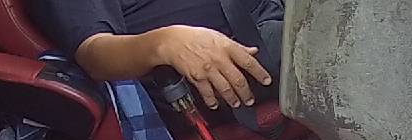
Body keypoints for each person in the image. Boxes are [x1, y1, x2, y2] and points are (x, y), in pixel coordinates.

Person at [30, 0, 283, 111]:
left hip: (277, 12)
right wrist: (164, 43)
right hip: (221, 59)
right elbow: (94, 54)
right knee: (304, 42)